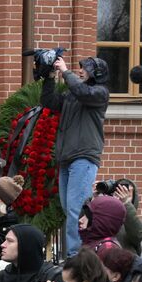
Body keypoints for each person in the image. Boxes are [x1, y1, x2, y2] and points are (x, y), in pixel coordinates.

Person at [42, 55, 111, 256]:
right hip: (67, 158)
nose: (80, 71)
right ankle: (78, 252)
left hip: (84, 157)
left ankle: (76, 256)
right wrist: (48, 76)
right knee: (69, 209)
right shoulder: (74, 96)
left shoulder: (99, 93)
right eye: (79, 68)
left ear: (96, 73)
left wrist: (64, 70)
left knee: (76, 209)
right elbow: (49, 101)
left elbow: (82, 91)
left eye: (85, 69)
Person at [112, 178, 142, 254]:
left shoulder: (138, 222)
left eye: (127, 195)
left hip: (126, 263)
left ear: (134, 198)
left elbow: (137, 236)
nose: (122, 197)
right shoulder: (103, 216)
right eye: (118, 193)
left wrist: (126, 202)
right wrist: (93, 199)